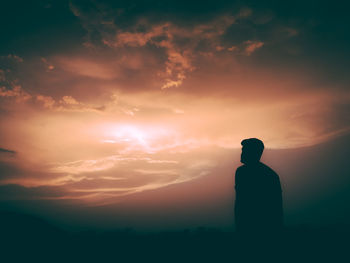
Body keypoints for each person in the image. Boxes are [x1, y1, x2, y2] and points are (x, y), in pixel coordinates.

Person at [234, 138, 283, 238]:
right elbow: (240, 202)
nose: (242, 153)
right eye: (242, 150)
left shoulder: (269, 175)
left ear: (254, 153)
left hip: (264, 230)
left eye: (245, 150)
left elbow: (275, 206)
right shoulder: (241, 172)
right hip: (244, 228)